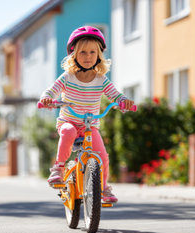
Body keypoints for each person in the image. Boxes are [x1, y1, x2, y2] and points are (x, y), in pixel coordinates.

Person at [39, 26, 134, 203]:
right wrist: (46, 98)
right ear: (74, 54)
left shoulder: (101, 79)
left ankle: (104, 188)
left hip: (90, 126)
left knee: (102, 156)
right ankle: (58, 168)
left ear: (99, 55)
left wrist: (123, 101)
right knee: (68, 132)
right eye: (83, 52)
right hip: (69, 121)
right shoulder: (68, 77)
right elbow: (52, 90)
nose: (88, 56)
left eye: (92, 52)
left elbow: (115, 94)